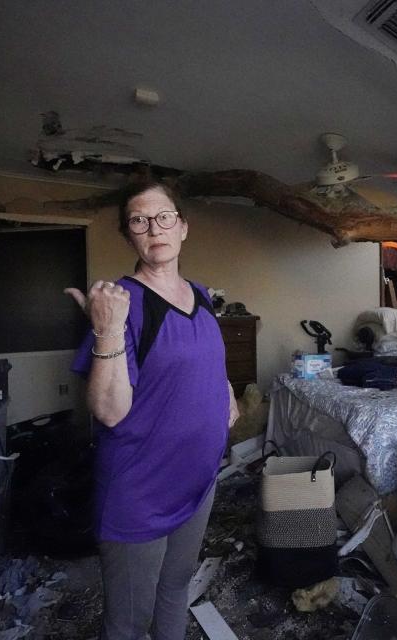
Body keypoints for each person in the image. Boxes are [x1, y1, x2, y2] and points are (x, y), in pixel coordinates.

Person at [65, 181, 239, 640]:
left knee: (175, 587)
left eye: (164, 217)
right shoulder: (121, 303)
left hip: (197, 481)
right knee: (128, 623)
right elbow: (109, 410)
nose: (154, 228)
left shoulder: (200, 295)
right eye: (139, 221)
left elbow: (201, 357)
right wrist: (106, 331)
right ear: (129, 236)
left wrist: (226, 392)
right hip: (139, 491)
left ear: (182, 228)